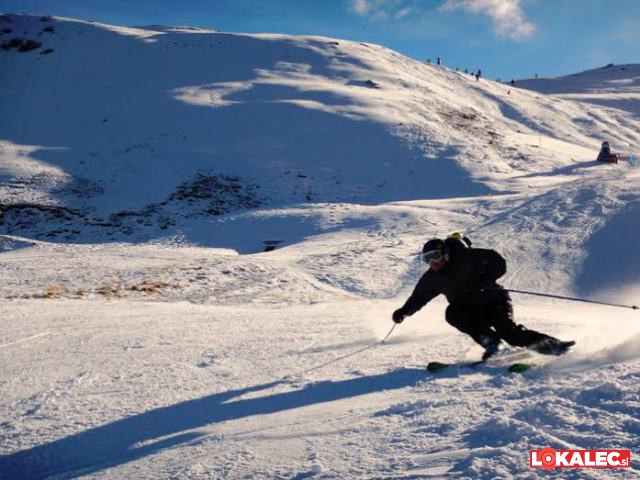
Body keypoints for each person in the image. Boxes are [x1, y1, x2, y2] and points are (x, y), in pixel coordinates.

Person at [392, 237, 575, 361]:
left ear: (445, 253)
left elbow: (497, 261)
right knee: (453, 313)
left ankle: (556, 347)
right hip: (470, 310)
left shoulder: (466, 258)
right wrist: (404, 311)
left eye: (435, 257)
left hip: (494, 302)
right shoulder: (432, 277)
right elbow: (419, 297)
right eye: (427, 259)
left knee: (510, 334)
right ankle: (494, 346)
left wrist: (485, 279)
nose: (432, 262)